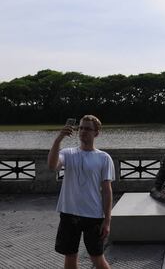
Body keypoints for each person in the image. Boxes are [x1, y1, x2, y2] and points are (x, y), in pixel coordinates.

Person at [48, 115, 115, 269]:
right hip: (69, 213)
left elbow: (107, 191)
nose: (83, 131)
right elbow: (52, 166)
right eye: (81, 128)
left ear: (96, 133)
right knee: (70, 255)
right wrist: (58, 140)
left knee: (97, 257)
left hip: (93, 215)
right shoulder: (67, 153)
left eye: (88, 129)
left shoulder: (104, 158)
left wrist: (107, 221)